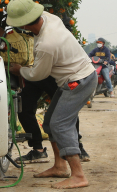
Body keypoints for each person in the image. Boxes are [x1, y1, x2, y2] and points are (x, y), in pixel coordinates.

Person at [8, 0, 95, 189]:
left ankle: (79, 175)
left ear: (23, 24)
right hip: (75, 78)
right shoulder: (49, 17)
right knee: (49, 122)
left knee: (60, 124)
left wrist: (18, 70)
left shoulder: (47, 44)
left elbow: (38, 74)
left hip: (78, 81)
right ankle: (60, 166)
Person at [15, 18, 91, 163]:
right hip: (35, 68)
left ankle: (77, 148)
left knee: (63, 114)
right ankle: (38, 149)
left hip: (53, 73)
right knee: (24, 108)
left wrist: (21, 71)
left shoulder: (51, 21)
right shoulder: (23, 16)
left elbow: (65, 29)